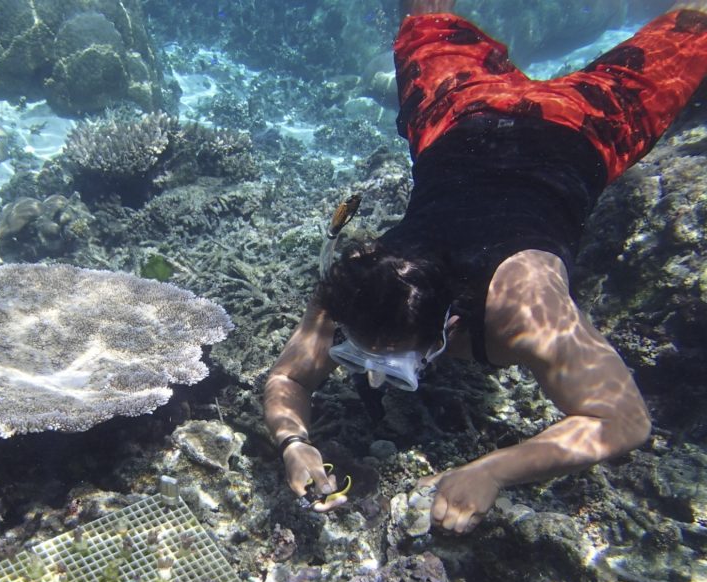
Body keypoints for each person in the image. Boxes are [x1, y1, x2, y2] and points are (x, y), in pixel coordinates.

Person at [264, 0, 707, 533]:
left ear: (450, 325)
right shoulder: (364, 281)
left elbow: (625, 419)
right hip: (463, 114)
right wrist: (294, 442)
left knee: (693, 30)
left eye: (401, 370)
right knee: (423, 20)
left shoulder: (523, 302)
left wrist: (493, 471)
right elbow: (289, 375)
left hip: (580, 126)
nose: (373, 374)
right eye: (355, 354)